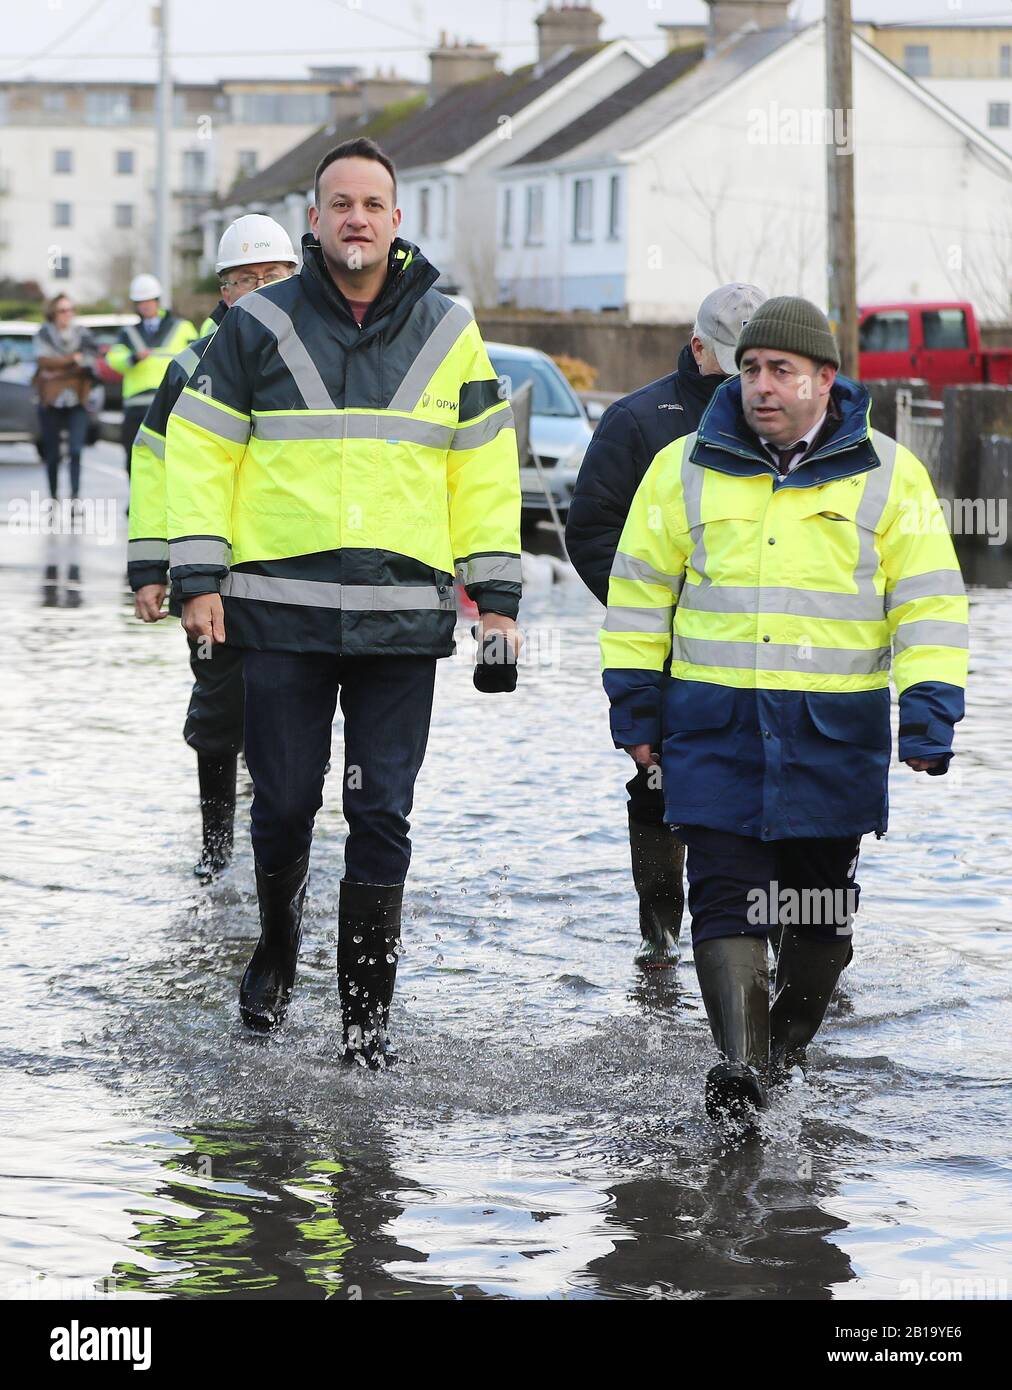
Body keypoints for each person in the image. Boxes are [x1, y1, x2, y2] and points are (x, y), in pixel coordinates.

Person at [165, 137, 522, 1067]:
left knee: (382, 812)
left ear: (397, 221)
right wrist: (197, 580)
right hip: (277, 615)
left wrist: (500, 597)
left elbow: (482, 470)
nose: (356, 217)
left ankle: (368, 1024)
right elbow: (201, 452)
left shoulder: (450, 329)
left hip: (401, 621)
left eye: (373, 203)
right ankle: (279, 949)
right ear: (313, 222)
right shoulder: (259, 325)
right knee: (283, 804)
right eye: (339, 204)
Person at [600, 296, 968, 1124]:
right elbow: (636, 599)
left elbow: (930, 604)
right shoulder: (683, 467)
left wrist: (929, 712)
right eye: (752, 369)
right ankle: (738, 1069)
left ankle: (782, 1051)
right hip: (715, 730)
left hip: (830, 740)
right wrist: (637, 713)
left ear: (825, 379)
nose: (762, 386)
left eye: (782, 371)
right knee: (724, 896)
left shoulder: (888, 474)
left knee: (818, 913)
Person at [567, 284, 766, 970]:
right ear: (699, 347)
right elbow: (591, 532)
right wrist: (645, 615)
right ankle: (660, 940)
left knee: (763, 787)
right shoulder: (639, 420)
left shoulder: (789, 418)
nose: (753, 380)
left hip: (760, 651)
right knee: (658, 788)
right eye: (739, 362)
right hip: (666, 652)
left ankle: (756, 945)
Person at [128, 216, 300, 880]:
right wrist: (151, 567)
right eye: (244, 280)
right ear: (223, 291)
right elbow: (155, 464)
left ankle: (284, 850)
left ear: (296, 280)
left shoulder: (316, 361)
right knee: (218, 707)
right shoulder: (188, 367)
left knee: (297, 710)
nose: (258, 292)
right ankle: (215, 850)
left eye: (273, 279)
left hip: (295, 571)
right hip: (212, 578)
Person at [106, 274, 196, 474]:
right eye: (140, 302)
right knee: (134, 458)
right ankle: (135, 504)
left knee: (169, 458)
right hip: (136, 405)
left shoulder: (182, 327)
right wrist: (133, 358)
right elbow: (113, 359)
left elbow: (197, 359)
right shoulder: (128, 333)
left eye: (148, 301)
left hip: (170, 402)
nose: (145, 306)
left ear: (157, 301)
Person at [33, 295, 98, 503]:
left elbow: (90, 361)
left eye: (70, 309)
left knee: (76, 451)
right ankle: (53, 497)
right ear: (53, 312)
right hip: (50, 400)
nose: (67, 314)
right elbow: (44, 361)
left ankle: (75, 497)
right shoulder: (44, 333)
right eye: (62, 310)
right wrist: (71, 360)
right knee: (52, 454)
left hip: (77, 399)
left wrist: (58, 368)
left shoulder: (82, 334)